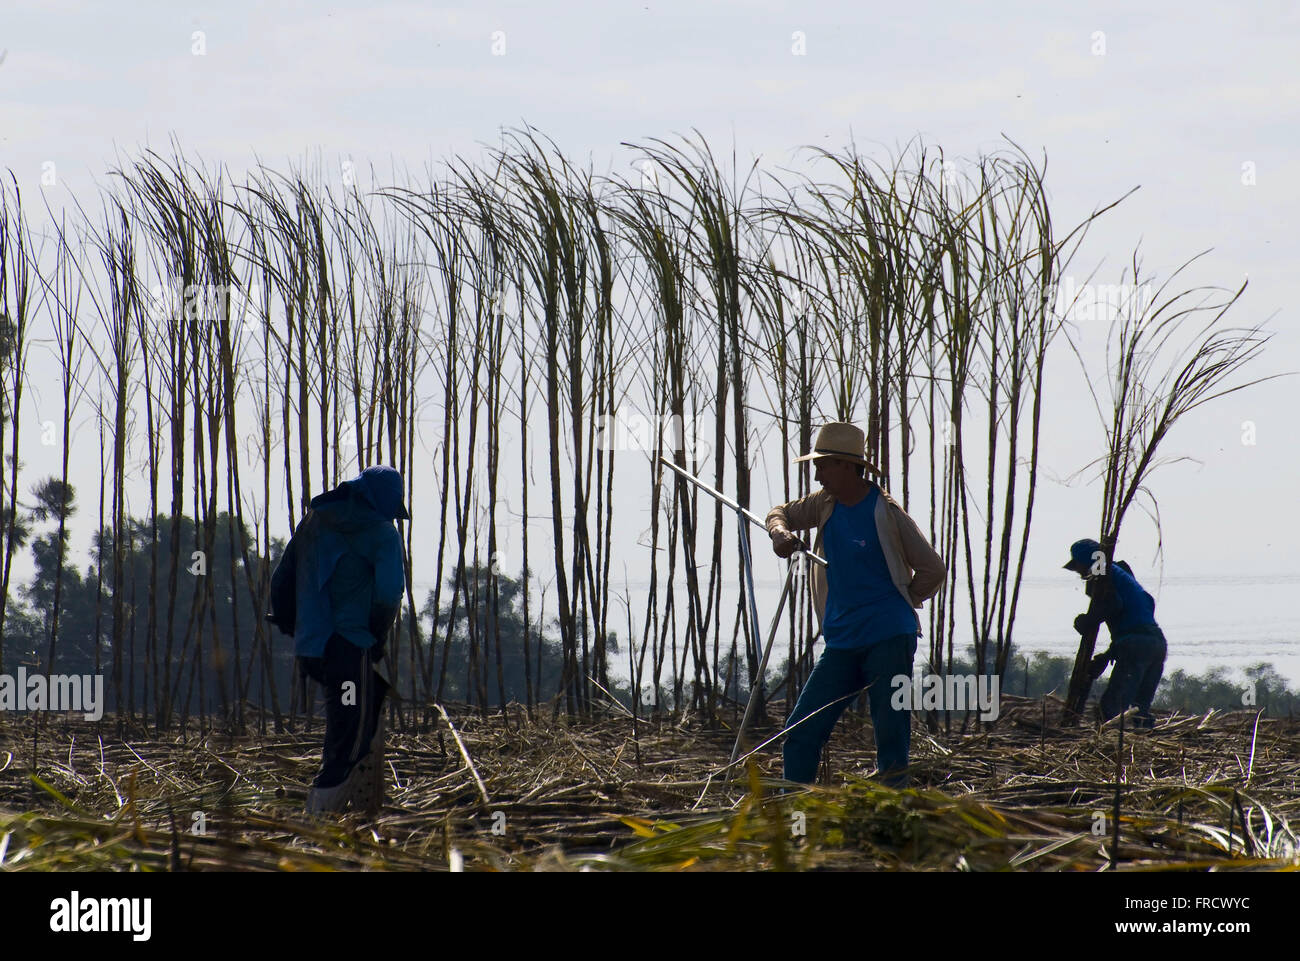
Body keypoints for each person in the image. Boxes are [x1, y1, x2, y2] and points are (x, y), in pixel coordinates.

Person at [766, 422, 946, 788]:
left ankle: (893, 805)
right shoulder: (824, 504)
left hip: (889, 637)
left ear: (849, 467)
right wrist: (779, 533)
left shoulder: (887, 513)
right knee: (802, 729)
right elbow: (779, 512)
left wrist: (901, 600)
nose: (817, 475)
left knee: (890, 726)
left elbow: (932, 568)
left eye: (824, 465)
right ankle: (791, 806)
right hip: (842, 641)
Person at [272, 465, 408, 815]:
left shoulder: (315, 520)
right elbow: (390, 595)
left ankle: (363, 815)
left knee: (361, 710)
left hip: (313, 650)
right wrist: (376, 636)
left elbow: (282, 578)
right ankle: (315, 828)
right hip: (349, 647)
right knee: (349, 742)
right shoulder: (382, 534)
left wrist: (290, 622)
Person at [1064, 538, 1166, 729]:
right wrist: (1110, 654)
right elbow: (1138, 613)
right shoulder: (1121, 574)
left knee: (1111, 709)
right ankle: (1141, 749)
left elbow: (1112, 604)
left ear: (1087, 561)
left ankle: (1109, 751)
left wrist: (1087, 621)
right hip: (1156, 643)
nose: (1079, 574)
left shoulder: (1103, 575)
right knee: (1139, 710)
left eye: (1078, 567)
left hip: (1135, 645)